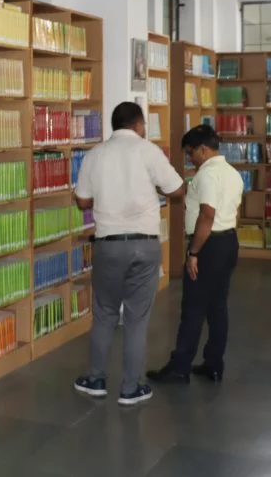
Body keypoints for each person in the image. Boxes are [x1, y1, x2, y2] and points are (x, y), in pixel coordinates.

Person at [73, 101, 185, 406]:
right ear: (138, 124)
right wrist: (155, 190)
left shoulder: (95, 154)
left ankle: (96, 379)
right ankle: (131, 388)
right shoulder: (149, 151)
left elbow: (82, 202)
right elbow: (177, 190)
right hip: (145, 245)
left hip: (108, 244)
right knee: (137, 319)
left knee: (105, 314)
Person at [147, 124, 244, 384]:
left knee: (193, 308)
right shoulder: (233, 173)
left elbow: (207, 215)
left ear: (202, 149)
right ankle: (214, 364)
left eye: (191, 153)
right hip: (228, 242)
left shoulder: (207, 175)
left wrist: (193, 252)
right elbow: (235, 213)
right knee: (217, 306)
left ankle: (180, 367)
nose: (190, 158)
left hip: (208, 246)